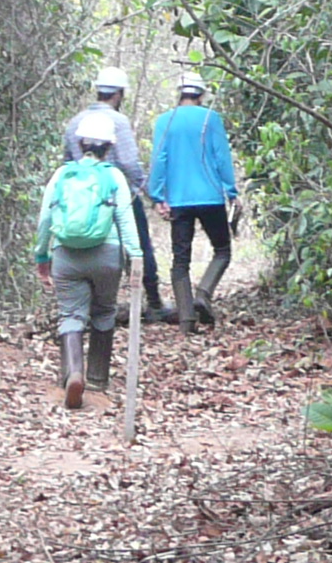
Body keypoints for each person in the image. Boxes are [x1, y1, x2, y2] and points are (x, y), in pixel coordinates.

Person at [35, 114, 142, 409]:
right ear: (109, 147)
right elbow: (125, 219)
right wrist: (136, 257)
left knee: (70, 314)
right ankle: (97, 379)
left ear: (81, 144)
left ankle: (73, 374)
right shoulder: (113, 177)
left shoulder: (61, 175)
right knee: (105, 311)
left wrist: (42, 256)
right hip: (107, 255)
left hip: (66, 255)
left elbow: (45, 219)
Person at [66, 67, 165, 323]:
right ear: (119, 94)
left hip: (83, 199)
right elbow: (129, 163)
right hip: (119, 195)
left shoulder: (75, 122)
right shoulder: (118, 122)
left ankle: (89, 306)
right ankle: (153, 301)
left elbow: (67, 161)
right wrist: (149, 193)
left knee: (91, 247)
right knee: (139, 246)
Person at [148, 73, 239, 330]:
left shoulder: (165, 121)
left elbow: (159, 160)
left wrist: (157, 196)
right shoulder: (211, 119)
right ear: (201, 95)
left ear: (180, 93)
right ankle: (203, 294)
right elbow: (222, 157)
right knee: (222, 250)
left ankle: (187, 320)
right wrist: (231, 191)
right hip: (211, 197)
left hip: (179, 200)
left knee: (180, 260)